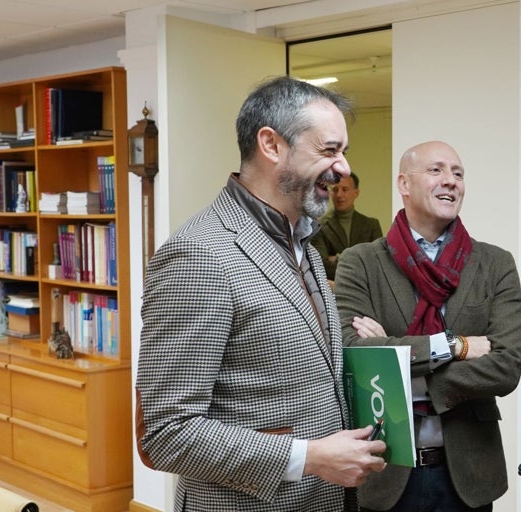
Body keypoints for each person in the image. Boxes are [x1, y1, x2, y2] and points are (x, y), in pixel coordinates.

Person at [135, 76, 386, 512]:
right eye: (329, 150)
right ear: (271, 145)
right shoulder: (199, 255)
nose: (343, 168)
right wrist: (307, 458)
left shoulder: (301, 240)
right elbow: (166, 433)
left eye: (343, 152)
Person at [333, 140, 521, 511]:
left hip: (469, 477)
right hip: (386, 471)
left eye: (458, 173)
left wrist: (397, 364)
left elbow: (506, 366)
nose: (450, 181)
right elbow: (352, 353)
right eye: (436, 170)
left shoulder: (495, 264)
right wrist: (455, 346)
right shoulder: (361, 263)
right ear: (404, 184)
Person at [310, 171, 383, 281]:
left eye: (345, 189)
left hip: (365, 293)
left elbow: (378, 264)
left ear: (356, 193)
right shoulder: (318, 225)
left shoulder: (371, 225)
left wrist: (337, 258)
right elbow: (321, 266)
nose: (339, 194)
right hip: (334, 293)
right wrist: (362, 263)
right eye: (335, 190)